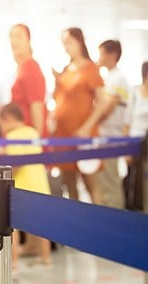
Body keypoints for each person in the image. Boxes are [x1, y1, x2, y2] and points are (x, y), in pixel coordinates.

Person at [0, 103, 52, 271]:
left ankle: (13, 263)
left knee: (13, 226)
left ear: (9, 118)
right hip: (40, 184)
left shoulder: (12, 136)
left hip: (21, 186)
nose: (2, 128)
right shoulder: (33, 132)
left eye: (1, 123)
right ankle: (46, 259)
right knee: (43, 225)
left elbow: (17, 164)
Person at [51, 27, 103, 205]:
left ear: (79, 42)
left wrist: (87, 127)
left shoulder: (90, 68)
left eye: (69, 43)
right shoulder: (66, 70)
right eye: (64, 44)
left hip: (83, 135)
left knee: (91, 184)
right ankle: (76, 225)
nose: (66, 47)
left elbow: (101, 102)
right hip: (64, 135)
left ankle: (100, 226)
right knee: (69, 184)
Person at [96, 39, 129, 208]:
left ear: (113, 55)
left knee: (110, 181)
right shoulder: (109, 77)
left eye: (102, 54)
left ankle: (116, 216)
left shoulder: (118, 78)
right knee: (103, 182)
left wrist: (88, 124)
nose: (99, 58)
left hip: (111, 136)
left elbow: (106, 109)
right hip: (103, 137)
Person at [8, 24, 47, 137]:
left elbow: (36, 106)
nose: (14, 41)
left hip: (29, 138)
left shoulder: (31, 68)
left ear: (28, 40)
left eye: (19, 36)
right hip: (22, 135)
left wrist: (36, 141)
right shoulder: (21, 68)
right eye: (11, 37)